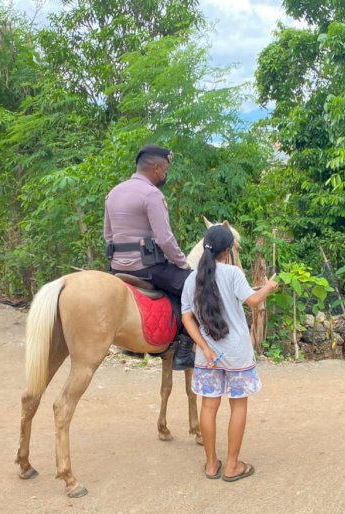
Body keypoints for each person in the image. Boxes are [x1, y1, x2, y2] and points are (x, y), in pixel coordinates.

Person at [181, 225, 279, 482]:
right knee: (238, 406)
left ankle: (211, 465)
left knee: (208, 406)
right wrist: (268, 286)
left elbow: (186, 317)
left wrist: (203, 347)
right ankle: (233, 466)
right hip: (236, 353)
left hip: (208, 355)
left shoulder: (191, 279)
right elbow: (254, 302)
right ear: (227, 252)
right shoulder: (233, 273)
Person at [104, 144, 195, 370]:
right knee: (196, 286)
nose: (165, 175)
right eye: (165, 170)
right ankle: (184, 350)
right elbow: (165, 239)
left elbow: (108, 235)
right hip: (148, 268)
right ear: (156, 168)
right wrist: (183, 264)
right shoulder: (152, 195)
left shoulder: (113, 192)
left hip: (117, 268)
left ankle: (133, 343)